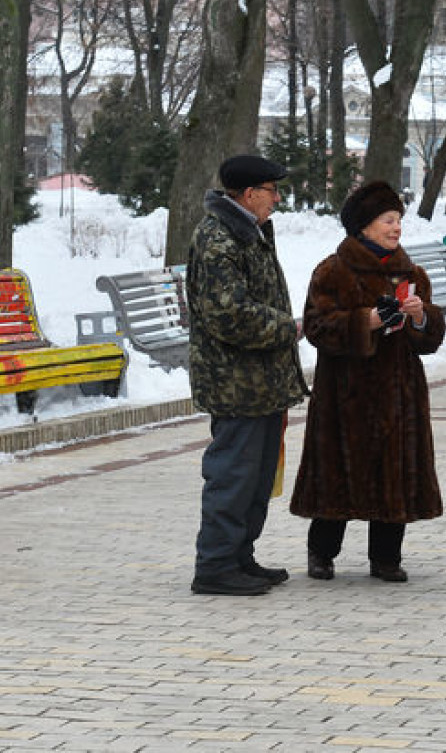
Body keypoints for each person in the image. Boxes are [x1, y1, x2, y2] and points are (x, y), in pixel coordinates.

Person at [290, 181, 446, 583]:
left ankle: (386, 558)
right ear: (364, 226)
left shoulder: (411, 273)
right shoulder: (333, 271)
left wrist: (419, 317)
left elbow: (430, 338)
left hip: (400, 394)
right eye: (387, 220)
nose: (396, 228)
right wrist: (369, 321)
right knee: (338, 475)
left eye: (398, 220)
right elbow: (318, 326)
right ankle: (322, 553)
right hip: (346, 394)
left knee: (394, 473)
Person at [187, 154, 309, 596]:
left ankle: (240, 556)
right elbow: (227, 314)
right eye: (272, 190)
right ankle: (216, 565)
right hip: (234, 381)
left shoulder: (248, 232)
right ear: (249, 193)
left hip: (260, 381)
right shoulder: (219, 238)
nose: (278, 198)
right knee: (233, 474)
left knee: (256, 477)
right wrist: (286, 328)